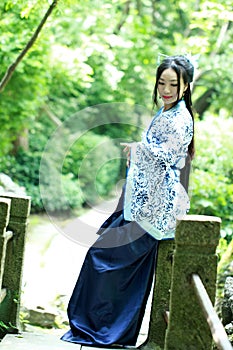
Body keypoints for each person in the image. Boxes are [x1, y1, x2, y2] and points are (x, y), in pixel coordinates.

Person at [61, 55, 195, 347]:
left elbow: (170, 158)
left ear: (186, 86)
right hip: (141, 205)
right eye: (162, 82)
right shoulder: (167, 112)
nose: (166, 89)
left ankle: (106, 331)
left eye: (174, 83)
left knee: (104, 259)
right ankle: (105, 330)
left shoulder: (179, 118)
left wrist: (138, 150)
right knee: (112, 264)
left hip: (153, 208)